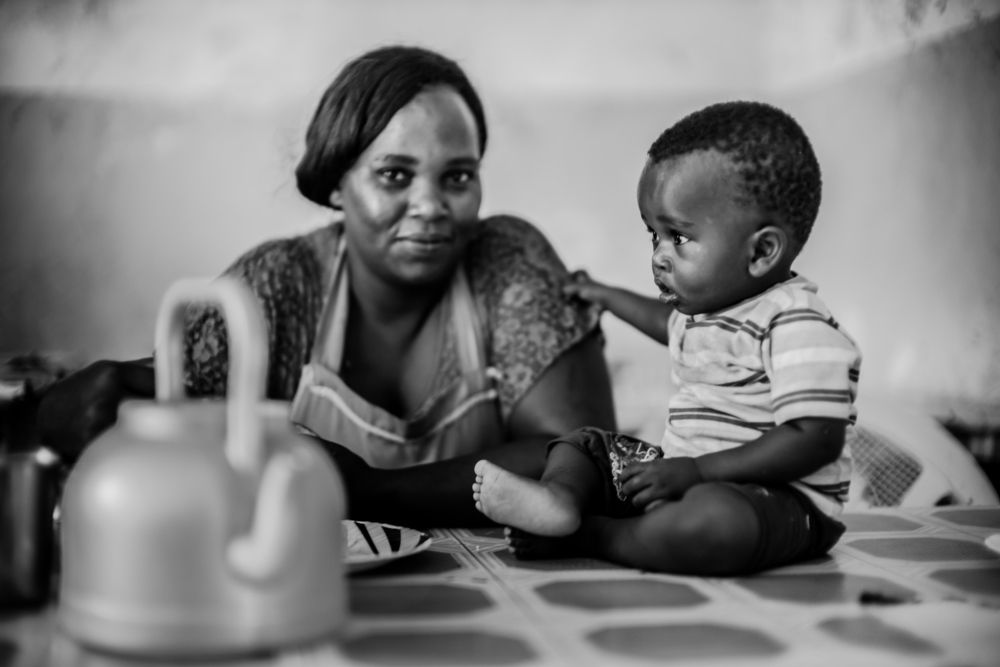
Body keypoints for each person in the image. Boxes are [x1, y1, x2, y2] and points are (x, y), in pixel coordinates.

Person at [36, 45, 617, 527]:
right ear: (337, 184)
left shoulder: (507, 262)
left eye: (458, 177)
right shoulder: (277, 287)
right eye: (395, 175)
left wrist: (368, 490)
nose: (431, 206)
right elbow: (165, 421)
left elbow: (580, 452)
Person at [472, 100, 862, 575]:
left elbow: (814, 440)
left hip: (778, 502)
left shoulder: (796, 323)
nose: (659, 255)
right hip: (686, 472)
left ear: (761, 251)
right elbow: (662, 323)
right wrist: (602, 294)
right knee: (583, 445)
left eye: (677, 236)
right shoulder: (707, 312)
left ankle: (591, 534)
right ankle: (560, 501)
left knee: (713, 521)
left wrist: (697, 473)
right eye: (652, 235)